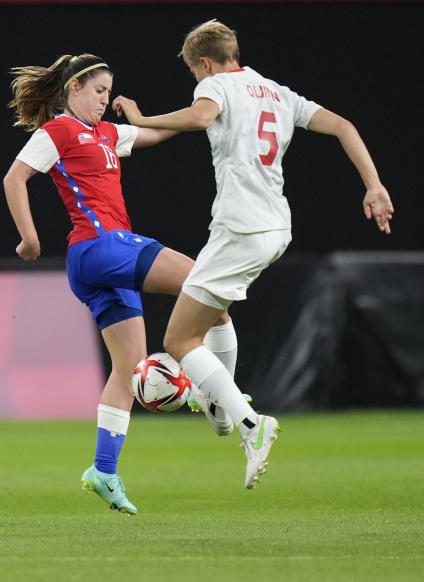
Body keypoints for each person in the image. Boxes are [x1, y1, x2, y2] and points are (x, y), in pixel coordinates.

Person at [111, 20, 395, 489]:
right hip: (276, 227)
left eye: (194, 73)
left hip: (239, 228)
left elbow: (201, 116)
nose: (198, 83)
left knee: (180, 340)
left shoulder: (219, 85)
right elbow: (343, 126)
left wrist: (141, 120)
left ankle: (248, 422)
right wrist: (374, 185)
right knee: (215, 316)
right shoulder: (276, 91)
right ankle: (223, 412)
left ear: (204, 63)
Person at [3, 53, 238, 515]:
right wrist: (29, 237)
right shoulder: (58, 131)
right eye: (98, 91)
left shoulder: (108, 133)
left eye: (108, 92)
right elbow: (15, 177)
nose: (104, 99)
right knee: (204, 281)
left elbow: (156, 134)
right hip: (101, 246)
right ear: (73, 90)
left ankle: (103, 471)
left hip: (102, 264)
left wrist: (200, 109)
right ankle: (214, 393)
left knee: (127, 370)